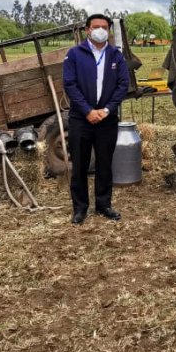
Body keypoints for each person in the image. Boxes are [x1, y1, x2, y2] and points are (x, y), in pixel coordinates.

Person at [63, 14, 131, 225]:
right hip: (81, 119)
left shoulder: (115, 56)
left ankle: (103, 204)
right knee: (80, 165)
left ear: (109, 31)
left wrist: (107, 110)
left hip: (107, 120)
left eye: (104, 27)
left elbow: (122, 85)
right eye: (96, 27)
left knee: (104, 164)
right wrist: (87, 111)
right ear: (87, 30)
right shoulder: (74, 54)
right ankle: (80, 208)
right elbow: (70, 84)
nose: (100, 30)